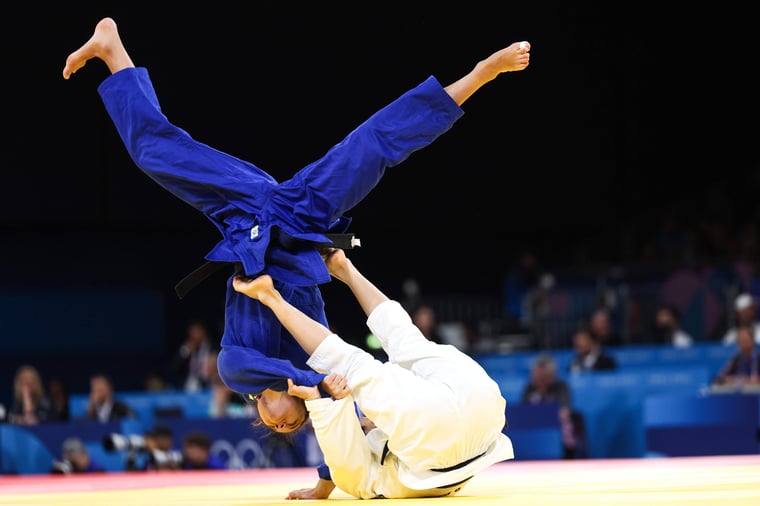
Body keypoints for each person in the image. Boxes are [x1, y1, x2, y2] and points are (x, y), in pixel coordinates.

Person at [63, 15, 528, 484]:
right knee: (376, 144)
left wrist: (307, 384)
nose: (284, 422)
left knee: (155, 153)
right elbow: (337, 435)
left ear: (260, 409)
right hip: (303, 216)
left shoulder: (242, 368)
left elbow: (237, 365)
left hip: (242, 214)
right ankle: (480, 74)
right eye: (293, 423)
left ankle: (112, 51)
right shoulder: (315, 369)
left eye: (275, 423)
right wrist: (323, 477)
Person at [233, 249, 514, 500]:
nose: (280, 427)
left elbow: (342, 465)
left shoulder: (376, 474)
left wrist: (319, 403)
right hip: (477, 406)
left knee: (387, 349)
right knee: (402, 342)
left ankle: (320, 276)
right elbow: (342, 456)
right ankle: (341, 269)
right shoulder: (392, 442)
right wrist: (319, 402)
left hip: (478, 418)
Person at [520, 353, 587, 459]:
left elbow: (564, 412)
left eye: (542, 377)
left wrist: (542, 417)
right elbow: (522, 413)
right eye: (536, 376)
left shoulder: (561, 387)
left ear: (552, 375)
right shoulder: (529, 388)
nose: (538, 380)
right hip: (534, 433)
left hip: (557, 432)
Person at [166, 319, 216, 392]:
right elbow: (171, 370)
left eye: (196, 332)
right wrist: (184, 352)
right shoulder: (187, 349)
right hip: (186, 390)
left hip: (207, 390)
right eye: (191, 332)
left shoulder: (213, 348)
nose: (193, 336)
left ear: (203, 331)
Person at [711, 323, 760, 388]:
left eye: (745, 339)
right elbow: (718, 379)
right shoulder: (736, 359)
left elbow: (755, 381)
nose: (743, 342)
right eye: (740, 340)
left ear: (752, 340)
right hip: (740, 395)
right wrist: (742, 380)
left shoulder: (758, 358)